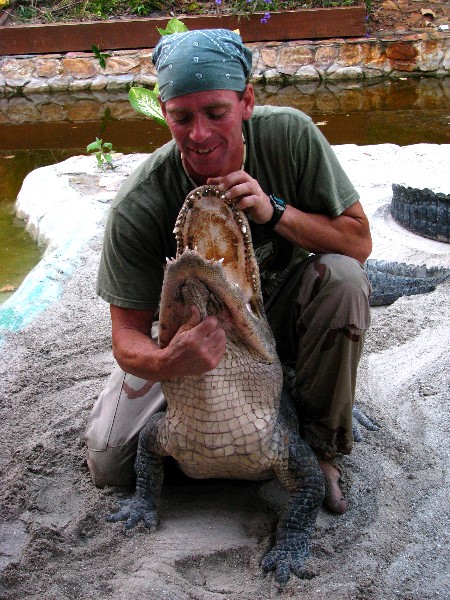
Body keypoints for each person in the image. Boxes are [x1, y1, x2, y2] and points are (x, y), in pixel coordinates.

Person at [84, 29, 372, 514]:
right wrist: (167, 361)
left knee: (344, 279)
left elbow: (359, 242)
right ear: (165, 113)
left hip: (277, 317)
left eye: (216, 113)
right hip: (194, 336)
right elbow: (127, 338)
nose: (199, 134)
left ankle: (322, 446)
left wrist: (276, 212)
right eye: (181, 117)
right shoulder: (140, 202)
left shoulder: (291, 136)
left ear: (246, 102)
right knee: (110, 465)